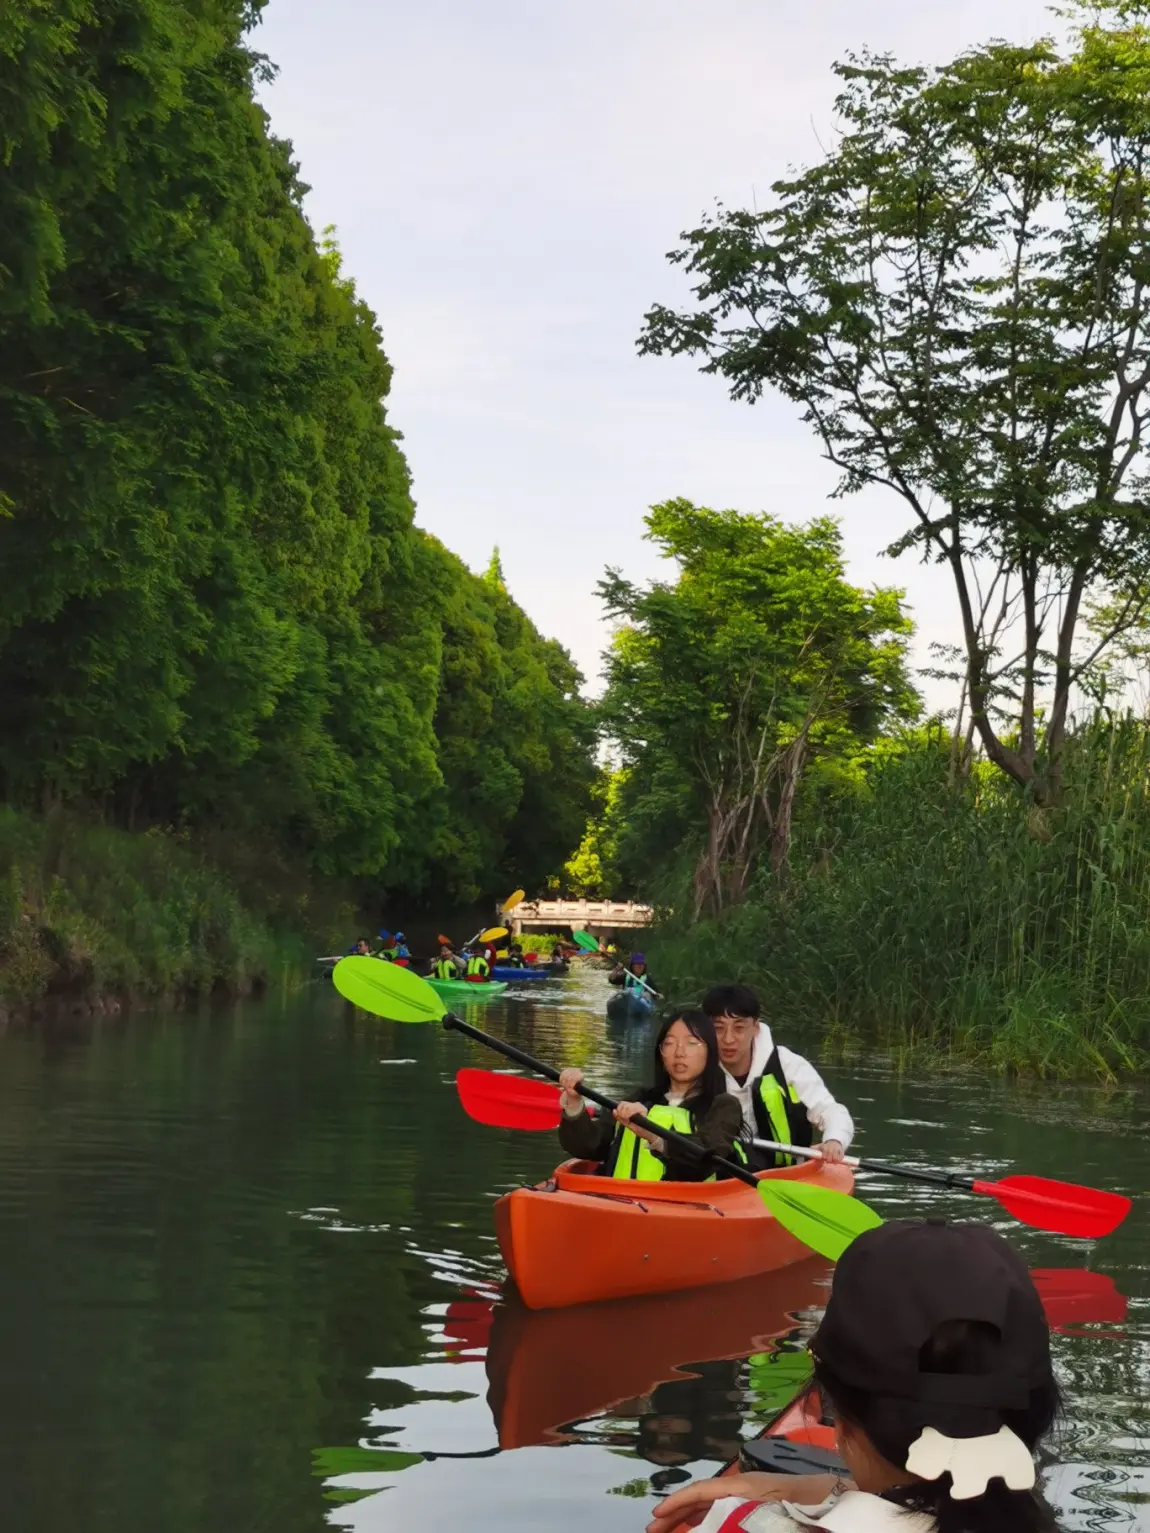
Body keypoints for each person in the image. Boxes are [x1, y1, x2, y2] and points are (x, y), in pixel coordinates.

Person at [647, 1219, 1060, 1533]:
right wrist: (820, 1489)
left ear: (843, 1420)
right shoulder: (1027, 1517)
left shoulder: (739, 1523)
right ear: (1035, 1412)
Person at [556, 1009, 743, 1181]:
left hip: (685, 1205)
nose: (679, 1052)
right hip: (619, 1201)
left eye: (692, 1043)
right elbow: (589, 1146)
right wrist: (574, 1103)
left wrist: (654, 1136)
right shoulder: (639, 1099)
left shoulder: (724, 1106)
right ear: (661, 1053)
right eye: (669, 1043)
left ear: (710, 1052)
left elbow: (708, 1160)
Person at [701, 984, 851, 1171]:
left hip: (784, 1172)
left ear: (756, 1027)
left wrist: (834, 1140)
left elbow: (830, 1110)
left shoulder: (787, 1064)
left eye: (739, 1028)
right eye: (718, 1028)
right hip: (721, 1171)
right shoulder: (695, 1064)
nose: (728, 1039)